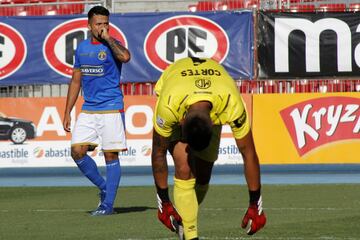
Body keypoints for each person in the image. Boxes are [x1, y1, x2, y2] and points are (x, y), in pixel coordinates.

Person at [151, 57, 266, 239]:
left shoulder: (231, 103)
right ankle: (189, 234)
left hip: (215, 88)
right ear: (180, 123)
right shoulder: (169, 106)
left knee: (203, 176)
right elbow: (158, 152)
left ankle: (186, 217)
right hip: (176, 84)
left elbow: (249, 153)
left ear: (214, 124)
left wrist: (255, 203)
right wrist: (163, 201)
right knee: (184, 167)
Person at [63, 5, 130, 216]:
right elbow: (76, 81)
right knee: (77, 151)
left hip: (111, 108)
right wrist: (67, 112)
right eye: (98, 24)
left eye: (106, 23)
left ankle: (107, 205)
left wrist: (109, 39)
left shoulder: (113, 44)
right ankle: (103, 187)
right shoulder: (82, 48)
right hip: (89, 109)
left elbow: (126, 57)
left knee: (110, 155)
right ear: (89, 25)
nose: (102, 27)